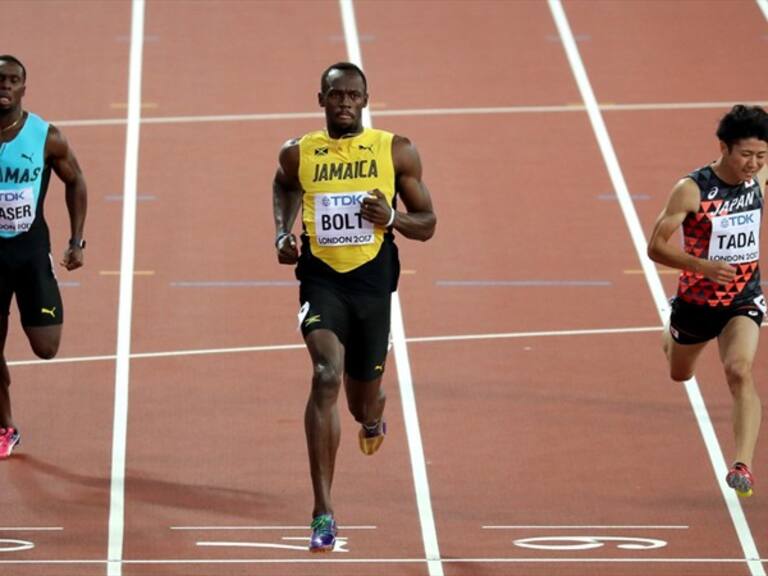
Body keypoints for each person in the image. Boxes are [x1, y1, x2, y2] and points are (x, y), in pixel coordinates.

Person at [272, 62, 436, 552]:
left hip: (371, 289)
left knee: (362, 398)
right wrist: (283, 229)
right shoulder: (299, 152)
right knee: (325, 374)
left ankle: (372, 415)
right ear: (320, 100)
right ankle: (323, 511)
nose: (344, 102)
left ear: (366, 100)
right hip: (322, 283)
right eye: (335, 95)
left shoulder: (395, 150)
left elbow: (427, 223)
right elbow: (284, 184)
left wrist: (394, 219)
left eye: (353, 95)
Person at [648, 104, 767, 498]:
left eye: (762, 156)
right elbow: (656, 247)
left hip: (743, 299)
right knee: (680, 374)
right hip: (697, 303)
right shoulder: (692, 188)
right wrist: (702, 265)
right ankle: (672, 325)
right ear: (724, 147)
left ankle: (743, 466)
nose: (753, 163)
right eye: (746, 154)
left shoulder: (760, 177)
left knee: (739, 369)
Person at [0, 55, 88, 459]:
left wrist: (76, 241)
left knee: (46, 347)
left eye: (12, 80)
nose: (5, 86)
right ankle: (5, 426)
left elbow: (76, 179)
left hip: (30, 250)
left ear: (23, 88)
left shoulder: (45, 136)